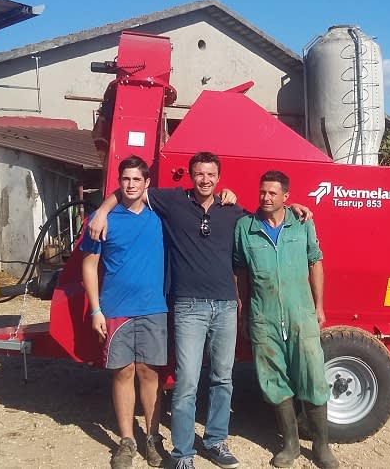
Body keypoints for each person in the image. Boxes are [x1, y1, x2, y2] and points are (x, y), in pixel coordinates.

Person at [88, 152, 311, 469]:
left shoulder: (231, 209)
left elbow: (265, 216)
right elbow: (130, 188)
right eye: (198, 174)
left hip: (225, 306)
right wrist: (102, 209)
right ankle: (182, 453)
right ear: (190, 176)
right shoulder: (174, 202)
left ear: (219, 178)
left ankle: (215, 442)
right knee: (187, 382)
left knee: (223, 379)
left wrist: (293, 208)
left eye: (210, 175)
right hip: (188, 306)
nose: (204, 180)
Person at [233, 171, 340, 469]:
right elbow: (240, 272)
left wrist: (319, 306)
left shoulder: (302, 223)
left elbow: (315, 262)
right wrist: (244, 310)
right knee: (274, 381)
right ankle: (290, 445)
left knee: (313, 378)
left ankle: (321, 448)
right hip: (263, 317)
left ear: (286, 197)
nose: (266, 198)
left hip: (300, 315)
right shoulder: (245, 228)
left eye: (272, 193)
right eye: (262, 192)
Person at [81, 155, 169, 469]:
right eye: (125, 179)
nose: (130, 185)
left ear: (147, 184)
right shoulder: (101, 220)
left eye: (136, 179)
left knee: (149, 373)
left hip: (153, 309)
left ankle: (153, 438)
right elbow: (89, 265)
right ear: (119, 183)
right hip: (116, 309)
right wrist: (95, 310)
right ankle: (127, 440)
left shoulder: (160, 216)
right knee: (123, 373)